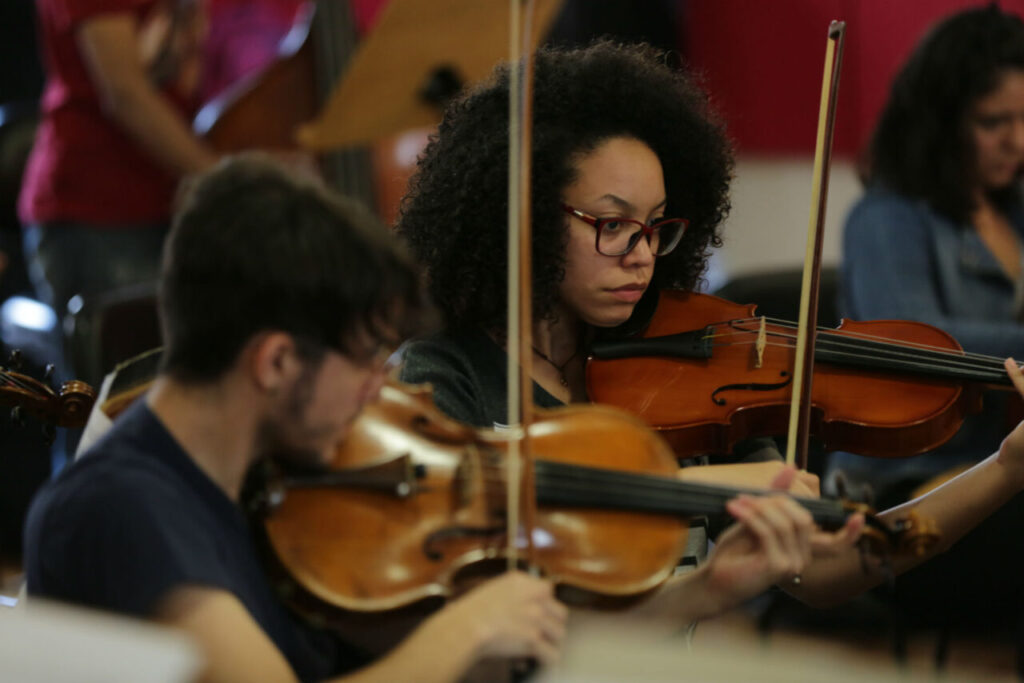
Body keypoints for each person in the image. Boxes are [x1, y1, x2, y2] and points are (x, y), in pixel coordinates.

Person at [22, 155, 862, 682]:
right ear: (275, 362)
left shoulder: (280, 475)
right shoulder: (127, 505)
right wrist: (466, 627)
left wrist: (707, 587)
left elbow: (513, 645)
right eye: (361, 363)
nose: (384, 393)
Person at [396, 40, 1024, 612]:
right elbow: (473, 511)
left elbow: (824, 572)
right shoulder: (449, 373)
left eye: (656, 227)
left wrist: (1002, 470)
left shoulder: (692, 371)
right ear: (522, 215)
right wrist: (706, 486)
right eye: (611, 225)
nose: (642, 254)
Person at [836, 5, 1024, 636]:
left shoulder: (1014, 208)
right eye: (994, 122)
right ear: (943, 123)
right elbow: (913, 340)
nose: (1018, 141)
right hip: (915, 493)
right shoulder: (888, 219)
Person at [19, 0, 218, 329]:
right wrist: (227, 179)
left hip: (165, 203)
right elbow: (125, 94)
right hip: (99, 216)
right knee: (134, 375)